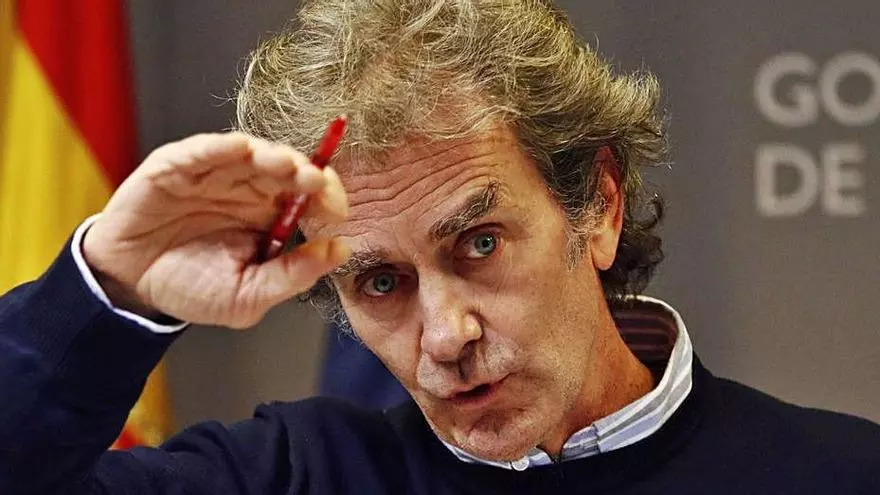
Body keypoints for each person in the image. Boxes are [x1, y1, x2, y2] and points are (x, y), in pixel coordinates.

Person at [1, 0, 878, 493]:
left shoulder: (841, 473)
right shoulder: (292, 478)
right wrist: (109, 287)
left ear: (599, 206)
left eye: (479, 242)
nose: (446, 335)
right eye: (381, 281)